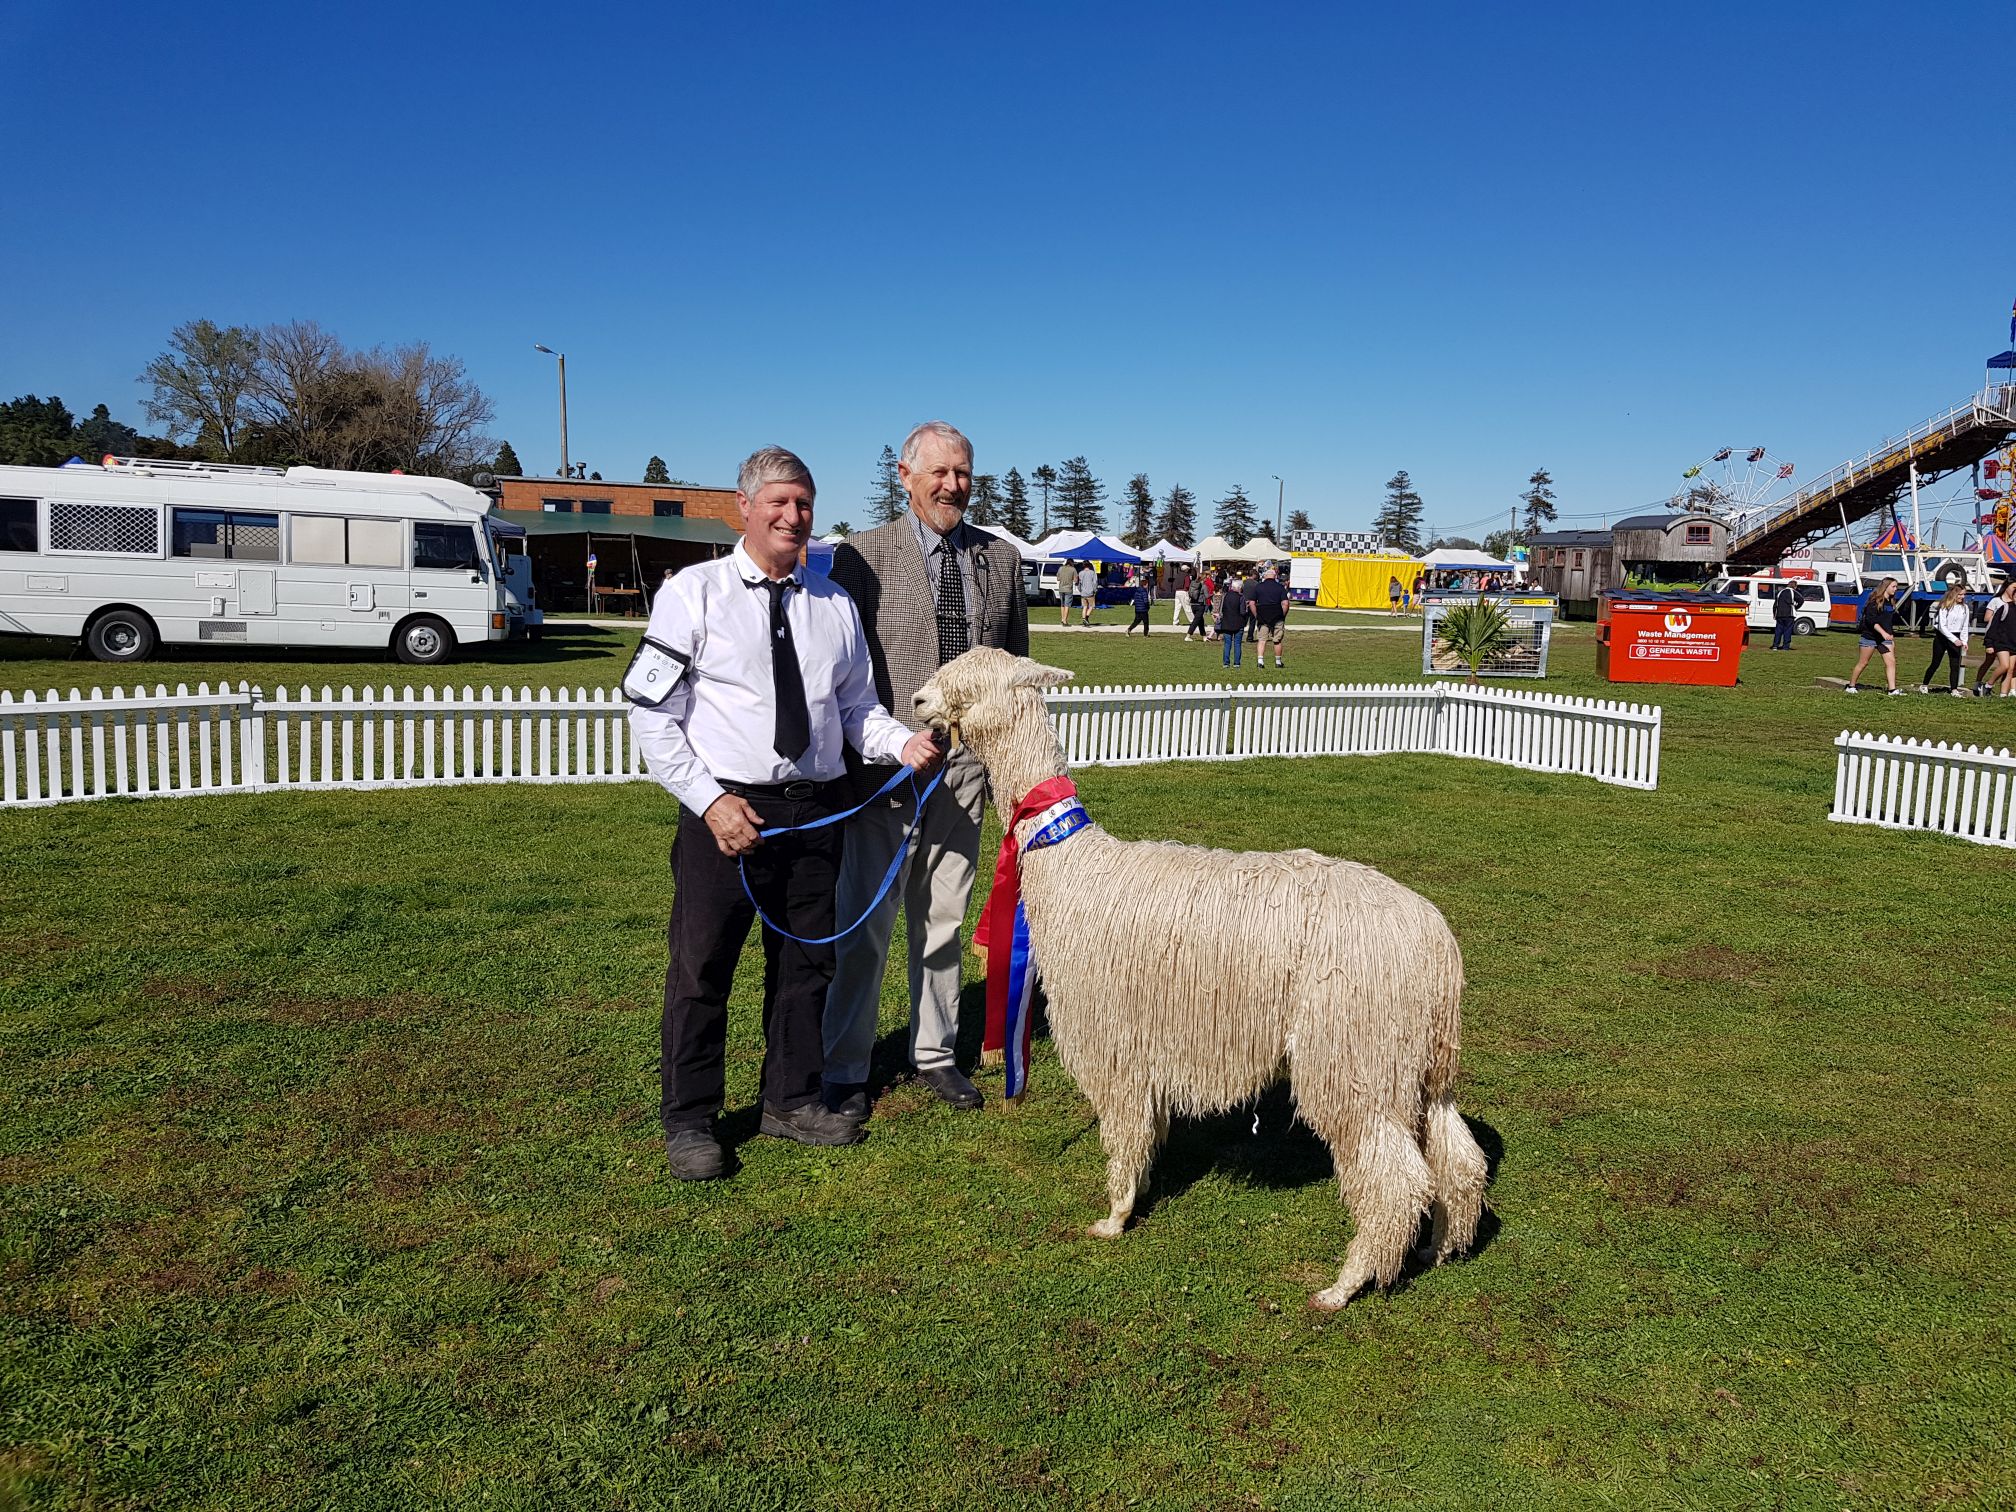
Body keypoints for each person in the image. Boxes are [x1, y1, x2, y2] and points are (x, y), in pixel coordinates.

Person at [628, 446, 941, 1181]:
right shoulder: (693, 593)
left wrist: (901, 743)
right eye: (777, 502)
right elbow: (650, 712)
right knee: (702, 970)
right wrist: (709, 802)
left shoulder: (833, 606)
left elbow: (857, 710)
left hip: (814, 815)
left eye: (803, 503)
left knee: (806, 967)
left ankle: (791, 1100)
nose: (792, 516)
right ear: (744, 507)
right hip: (725, 814)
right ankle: (691, 1121)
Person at [824, 421, 1031, 1120]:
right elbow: (841, 671)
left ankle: (935, 1053)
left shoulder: (999, 559)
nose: (952, 486)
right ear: (906, 477)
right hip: (886, 769)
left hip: (967, 773)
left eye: (964, 473)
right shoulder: (863, 555)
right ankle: (846, 1066)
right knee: (866, 923)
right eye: (939, 473)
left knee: (943, 919)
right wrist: (873, 750)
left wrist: (1006, 768)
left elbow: (1012, 674)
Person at [1844, 577, 1903, 695]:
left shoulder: (1890, 602)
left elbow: (1888, 621)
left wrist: (1890, 635)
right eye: (1893, 586)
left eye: (1896, 587)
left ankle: (1892, 689)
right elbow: (1872, 621)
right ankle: (1851, 686)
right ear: (1885, 587)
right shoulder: (1874, 601)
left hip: (1884, 639)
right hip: (1870, 638)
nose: (1895, 589)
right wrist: (1883, 633)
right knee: (1863, 662)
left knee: (1891, 662)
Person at [1918, 583, 1970, 693]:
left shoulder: (1964, 608)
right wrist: (1953, 640)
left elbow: (1965, 626)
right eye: (1960, 594)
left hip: (1957, 636)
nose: (1962, 597)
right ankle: (1924, 684)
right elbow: (1942, 626)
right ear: (1954, 594)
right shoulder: (1944, 606)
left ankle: (1954, 689)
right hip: (1942, 637)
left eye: (1964, 594)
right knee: (1935, 663)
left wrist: (1964, 641)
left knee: (1955, 664)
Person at [1971, 581, 2016, 695]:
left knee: (2010, 669)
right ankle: (1985, 685)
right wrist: (1989, 643)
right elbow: (1991, 624)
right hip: (2000, 641)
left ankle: (2003, 694)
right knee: (2001, 665)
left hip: (2013, 643)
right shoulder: (2002, 605)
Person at [1250, 563, 1289, 670]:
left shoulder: (1258, 587)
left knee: (1262, 639)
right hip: (1277, 615)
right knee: (1277, 640)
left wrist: (1256, 615)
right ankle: (1278, 661)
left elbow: (1252, 603)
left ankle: (1260, 661)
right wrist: (1282, 615)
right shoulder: (1280, 587)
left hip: (1262, 615)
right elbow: (1285, 603)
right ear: (1275, 576)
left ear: (1264, 577)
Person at [1217, 573, 1247, 667]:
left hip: (1226, 622)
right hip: (1238, 623)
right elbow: (1242, 612)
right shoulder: (1241, 597)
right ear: (1239, 588)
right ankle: (1237, 663)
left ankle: (1226, 663)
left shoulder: (1225, 596)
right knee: (1237, 644)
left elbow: (1221, 609)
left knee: (1227, 644)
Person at [1770, 580, 1798, 651]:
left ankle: (1775, 646)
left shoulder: (1780, 592)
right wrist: (1795, 607)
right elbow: (1801, 600)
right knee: (1787, 631)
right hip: (1789, 615)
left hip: (1779, 615)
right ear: (1795, 586)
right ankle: (1785, 647)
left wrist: (1774, 614)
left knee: (1778, 631)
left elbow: (1775, 604)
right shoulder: (1793, 592)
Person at [1185, 572, 1211, 640]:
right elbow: (1207, 596)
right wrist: (1213, 594)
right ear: (1204, 578)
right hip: (1200, 605)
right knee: (1196, 621)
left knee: (1200, 621)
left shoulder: (1193, 584)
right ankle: (1188, 635)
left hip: (1193, 604)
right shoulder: (1204, 586)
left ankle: (1204, 636)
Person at [1078, 561, 1100, 626]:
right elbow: (1095, 582)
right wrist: (1095, 590)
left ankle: (1083, 618)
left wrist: (1080, 590)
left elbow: (1079, 583)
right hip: (1090, 592)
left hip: (1083, 593)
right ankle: (1086, 617)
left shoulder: (1080, 573)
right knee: (1091, 606)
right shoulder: (1092, 573)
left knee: (1084, 606)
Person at [1057, 562, 1075, 628]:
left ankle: (1062, 619)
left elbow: (1058, 578)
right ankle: (1065, 621)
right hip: (1068, 589)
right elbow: (1075, 579)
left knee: (1062, 604)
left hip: (1061, 589)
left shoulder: (1060, 568)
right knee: (1067, 605)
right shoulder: (1073, 569)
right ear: (1072, 563)